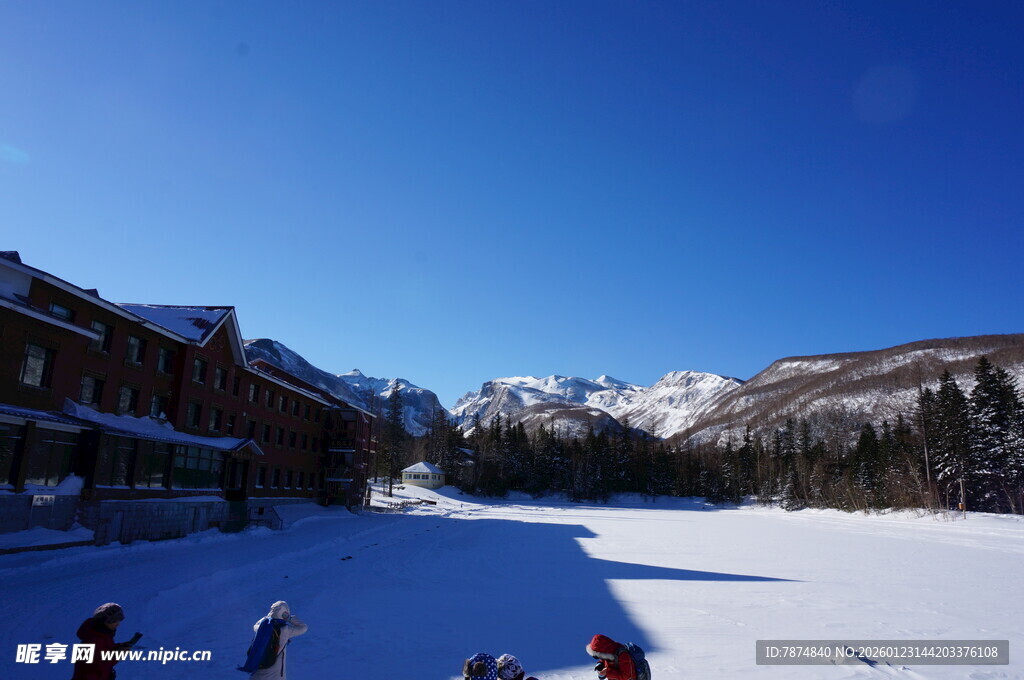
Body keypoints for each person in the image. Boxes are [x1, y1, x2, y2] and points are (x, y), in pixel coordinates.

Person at [71, 603, 137, 680]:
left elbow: (103, 660)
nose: (118, 624)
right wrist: (117, 654)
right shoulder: (91, 641)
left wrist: (118, 648)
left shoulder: (103, 636)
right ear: (105, 621)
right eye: (115, 621)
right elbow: (87, 672)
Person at [247, 601, 307, 680]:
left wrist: (267, 617)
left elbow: (255, 625)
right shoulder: (284, 630)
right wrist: (289, 618)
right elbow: (303, 627)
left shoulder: (261, 628)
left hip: (256, 676)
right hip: (275, 676)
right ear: (284, 613)